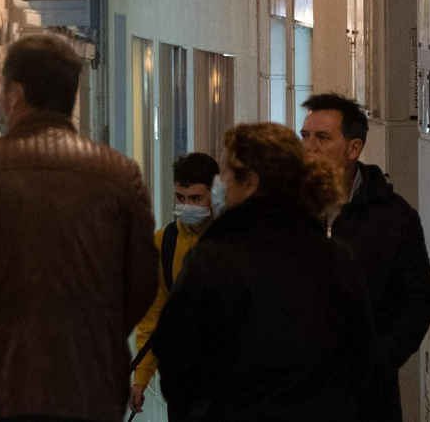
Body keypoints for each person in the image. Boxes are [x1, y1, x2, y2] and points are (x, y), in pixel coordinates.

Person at [0, 34, 156, 422]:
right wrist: (96, 332)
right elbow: (142, 282)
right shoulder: (119, 176)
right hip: (91, 386)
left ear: (15, 94)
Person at [152, 123, 376, 422]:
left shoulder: (212, 262)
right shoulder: (337, 259)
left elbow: (176, 361)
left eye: (227, 174)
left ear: (250, 183)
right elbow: (362, 358)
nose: (221, 183)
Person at [302, 93, 430, 422]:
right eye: (304, 136)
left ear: (354, 148)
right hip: (294, 395)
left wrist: (375, 362)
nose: (310, 148)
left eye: (323, 138)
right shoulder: (282, 209)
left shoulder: (392, 219)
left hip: (365, 401)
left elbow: (419, 300)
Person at [128, 151, 221, 416]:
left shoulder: (232, 240)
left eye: (195, 198)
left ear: (214, 195)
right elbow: (154, 316)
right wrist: (141, 378)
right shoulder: (165, 242)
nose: (186, 206)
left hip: (227, 380)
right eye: (180, 198)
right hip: (183, 378)